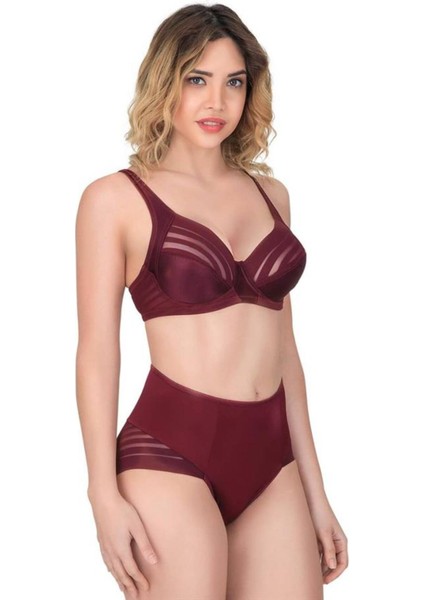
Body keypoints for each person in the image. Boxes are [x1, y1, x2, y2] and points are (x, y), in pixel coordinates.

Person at [75, 3, 348, 598]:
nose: (217, 102)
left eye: (234, 82)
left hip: (272, 462)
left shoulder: (271, 194)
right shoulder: (114, 200)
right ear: (165, 81)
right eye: (197, 79)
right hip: (169, 455)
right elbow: (97, 352)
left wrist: (317, 493)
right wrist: (102, 494)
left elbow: (286, 353)